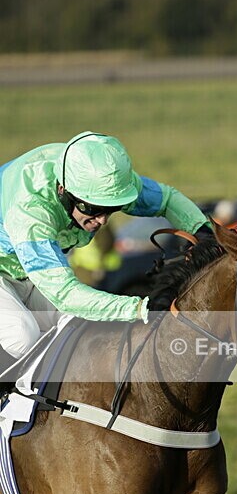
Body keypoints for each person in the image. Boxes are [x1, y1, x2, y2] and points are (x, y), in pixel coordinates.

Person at [0, 131, 210, 394]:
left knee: (81, 332)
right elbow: (65, 295)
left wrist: (202, 230)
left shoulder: (100, 179)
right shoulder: (32, 210)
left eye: (110, 209)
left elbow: (166, 199)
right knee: (22, 335)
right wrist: (140, 308)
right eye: (92, 209)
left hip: (24, 268)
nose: (102, 220)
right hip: (11, 268)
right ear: (63, 191)